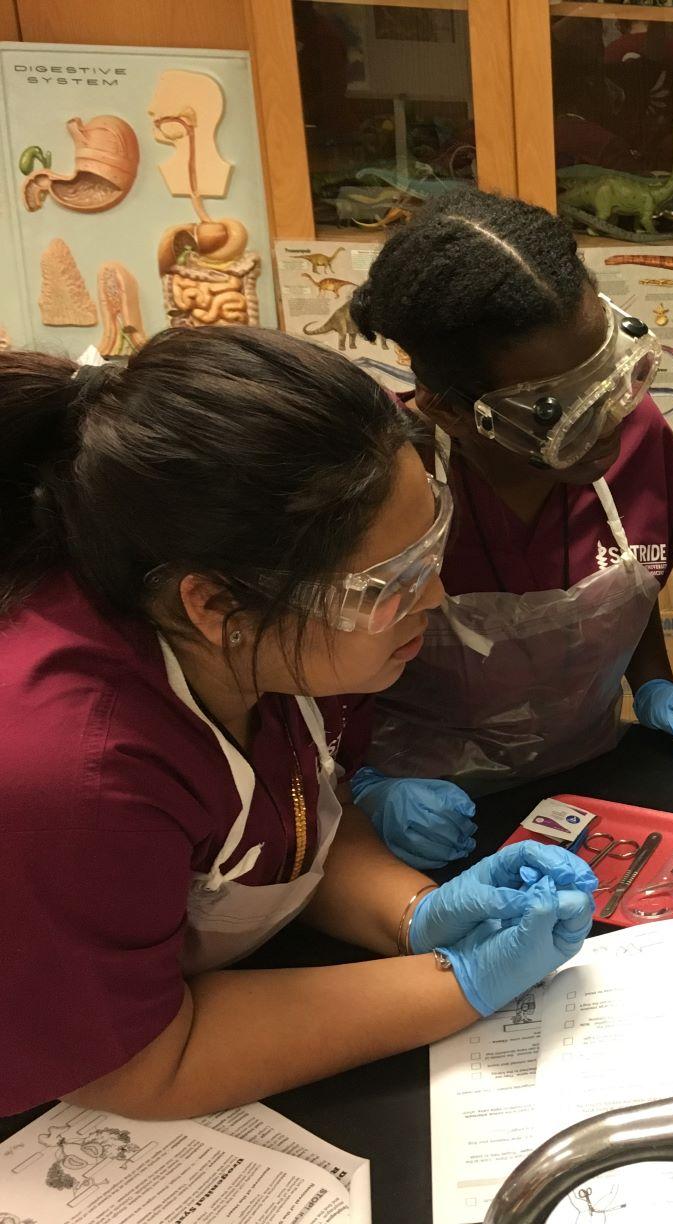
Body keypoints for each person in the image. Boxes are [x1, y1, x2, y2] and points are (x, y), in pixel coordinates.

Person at [0, 329, 600, 1120]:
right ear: (216, 605)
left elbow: (297, 804)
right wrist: (457, 983)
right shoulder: (71, 769)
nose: (437, 598)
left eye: (431, 547)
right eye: (394, 581)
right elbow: (138, 1068)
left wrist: (411, 912)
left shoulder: (284, 639)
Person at [346, 190, 673, 868]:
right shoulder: (381, 479)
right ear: (452, 410)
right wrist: (363, 785)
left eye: (608, 377)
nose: (608, 419)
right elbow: (306, 666)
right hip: (427, 823)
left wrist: (653, 684)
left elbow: (627, 575)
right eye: (561, 411)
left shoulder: (639, 438)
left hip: (587, 789)